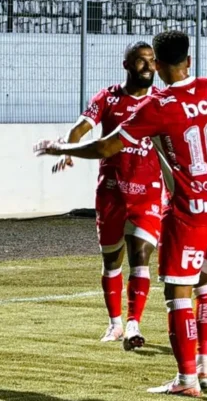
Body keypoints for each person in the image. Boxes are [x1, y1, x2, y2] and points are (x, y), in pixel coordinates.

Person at [35, 30, 207, 397]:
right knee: (206, 285)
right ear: (189, 61)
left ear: (160, 66)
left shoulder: (159, 105)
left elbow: (106, 145)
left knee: (178, 292)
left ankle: (186, 379)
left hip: (188, 210)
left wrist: (60, 148)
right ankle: (205, 366)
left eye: (153, 62)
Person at [53, 42, 161, 351]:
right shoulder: (108, 97)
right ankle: (114, 323)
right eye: (141, 61)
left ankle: (133, 324)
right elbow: (82, 127)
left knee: (140, 257)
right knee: (112, 260)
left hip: (148, 193)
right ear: (126, 65)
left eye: (151, 61)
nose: (148, 67)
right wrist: (69, 146)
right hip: (112, 192)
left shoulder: (161, 101)